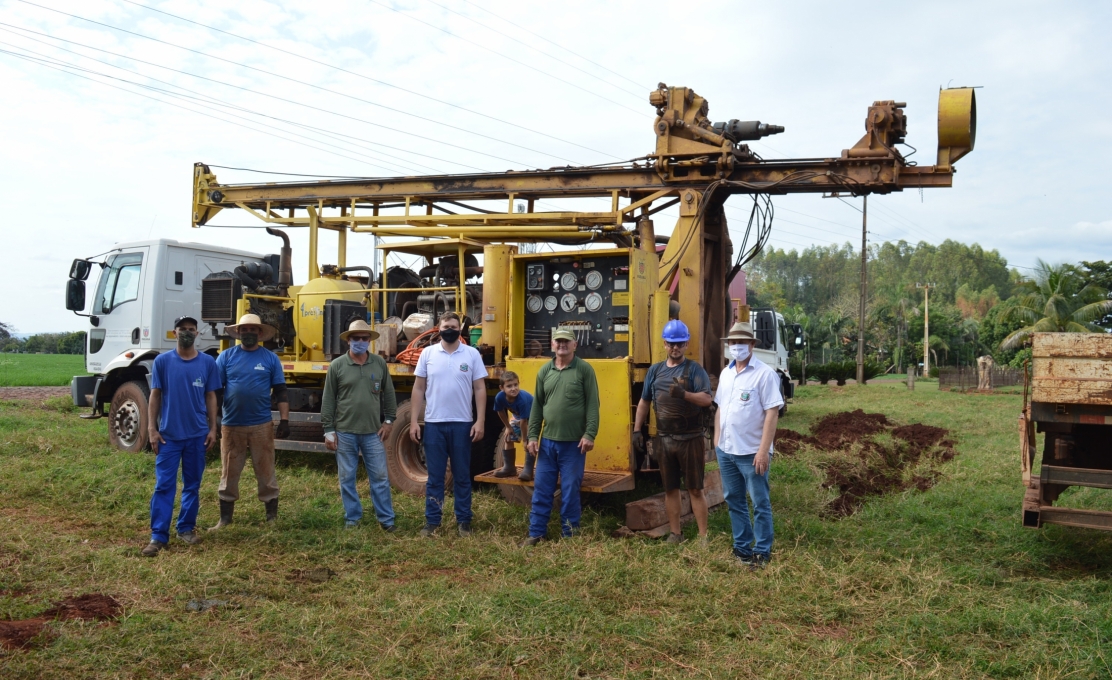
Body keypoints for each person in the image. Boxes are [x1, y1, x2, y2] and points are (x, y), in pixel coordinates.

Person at [142, 316, 220, 557]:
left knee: (192, 485)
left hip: (197, 435)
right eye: (182, 329)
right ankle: (158, 536)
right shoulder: (162, 362)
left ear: (197, 334)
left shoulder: (207, 363)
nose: (186, 332)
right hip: (168, 437)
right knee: (164, 485)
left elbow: (211, 397)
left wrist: (213, 428)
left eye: (191, 329)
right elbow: (155, 395)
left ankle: (186, 528)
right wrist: (152, 430)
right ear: (173, 333)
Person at [632, 320, 714, 544]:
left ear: (686, 344)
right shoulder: (655, 371)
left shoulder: (694, 370)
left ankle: (703, 536)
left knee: (695, 489)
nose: (675, 348)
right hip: (665, 439)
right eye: (671, 343)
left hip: (691, 439)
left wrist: (684, 394)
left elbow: (707, 399)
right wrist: (637, 430)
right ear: (665, 344)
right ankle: (676, 533)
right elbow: (644, 402)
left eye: (679, 343)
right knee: (670, 489)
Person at [409, 312, 488, 537]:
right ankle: (432, 522)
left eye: (454, 326)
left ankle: (464, 522)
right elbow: (418, 388)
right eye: (446, 326)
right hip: (434, 425)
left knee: (462, 475)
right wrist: (414, 421)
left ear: (460, 328)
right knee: (435, 477)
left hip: (462, 425)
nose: (450, 329)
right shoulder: (428, 353)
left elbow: (480, 389)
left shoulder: (472, 354)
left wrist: (480, 420)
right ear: (439, 328)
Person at [209, 313, 289, 530]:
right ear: (238, 333)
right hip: (232, 425)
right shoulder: (225, 357)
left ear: (260, 333)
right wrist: (214, 421)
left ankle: (271, 517)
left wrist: (284, 420)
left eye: (253, 330)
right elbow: (216, 392)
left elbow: (281, 391)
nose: (248, 333)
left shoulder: (270, 359)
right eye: (244, 330)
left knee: (266, 471)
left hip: (261, 426)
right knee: (229, 471)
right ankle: (225, 519)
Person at [713, 321, 783, 569]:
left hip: (752, 452)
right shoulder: (726, 373)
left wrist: (763, 450)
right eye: (732, 343)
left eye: (741, 343)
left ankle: (761, 552)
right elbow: (721, 407)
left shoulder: (765, 375)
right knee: (734, 500)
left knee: (760, 502)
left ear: (752, 345)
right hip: (727, 450)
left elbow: (772, 413)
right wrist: (717, 440)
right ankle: (742, 547)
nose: (736, 347)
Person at [520, 328, 599, 546]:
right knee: (542, 489)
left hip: (574, 445)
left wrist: (590, 433)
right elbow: (537, 407)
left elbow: (593, 405)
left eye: (566, 341)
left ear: (575, 345)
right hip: (547, 443)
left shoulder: (584, 370)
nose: (562, 345)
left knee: (570, 490)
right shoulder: (545, 371)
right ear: (552, 345)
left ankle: (570, 536)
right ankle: (536, 533)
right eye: (558, 341)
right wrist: (533, 436)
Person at [322, 319, 398, 531]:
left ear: (369, 341)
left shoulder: (379, 363)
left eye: (365, 339)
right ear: (348, 340)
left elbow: (389, 394)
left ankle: (386, 520)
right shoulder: (337, 366)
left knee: (381, 478)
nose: (361, 342)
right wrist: (329, 430)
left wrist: (390, 420)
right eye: (356, 338)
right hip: (344, 432)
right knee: (347, 478)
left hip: (374, 433)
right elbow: (328, 399)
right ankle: (352, 518)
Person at [491, 371, 534, 479]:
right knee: (508, 437)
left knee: (529, 440)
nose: (513, 388)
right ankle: (509, 468)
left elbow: (524, 422)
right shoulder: (499, 397)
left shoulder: (522, 400)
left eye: (515, 385)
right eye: (509, 386)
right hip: (519, 416)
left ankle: (528, 470)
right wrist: (508, 428)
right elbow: (500, 411)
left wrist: (524, 440)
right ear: (502, 388)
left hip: (533, 415)